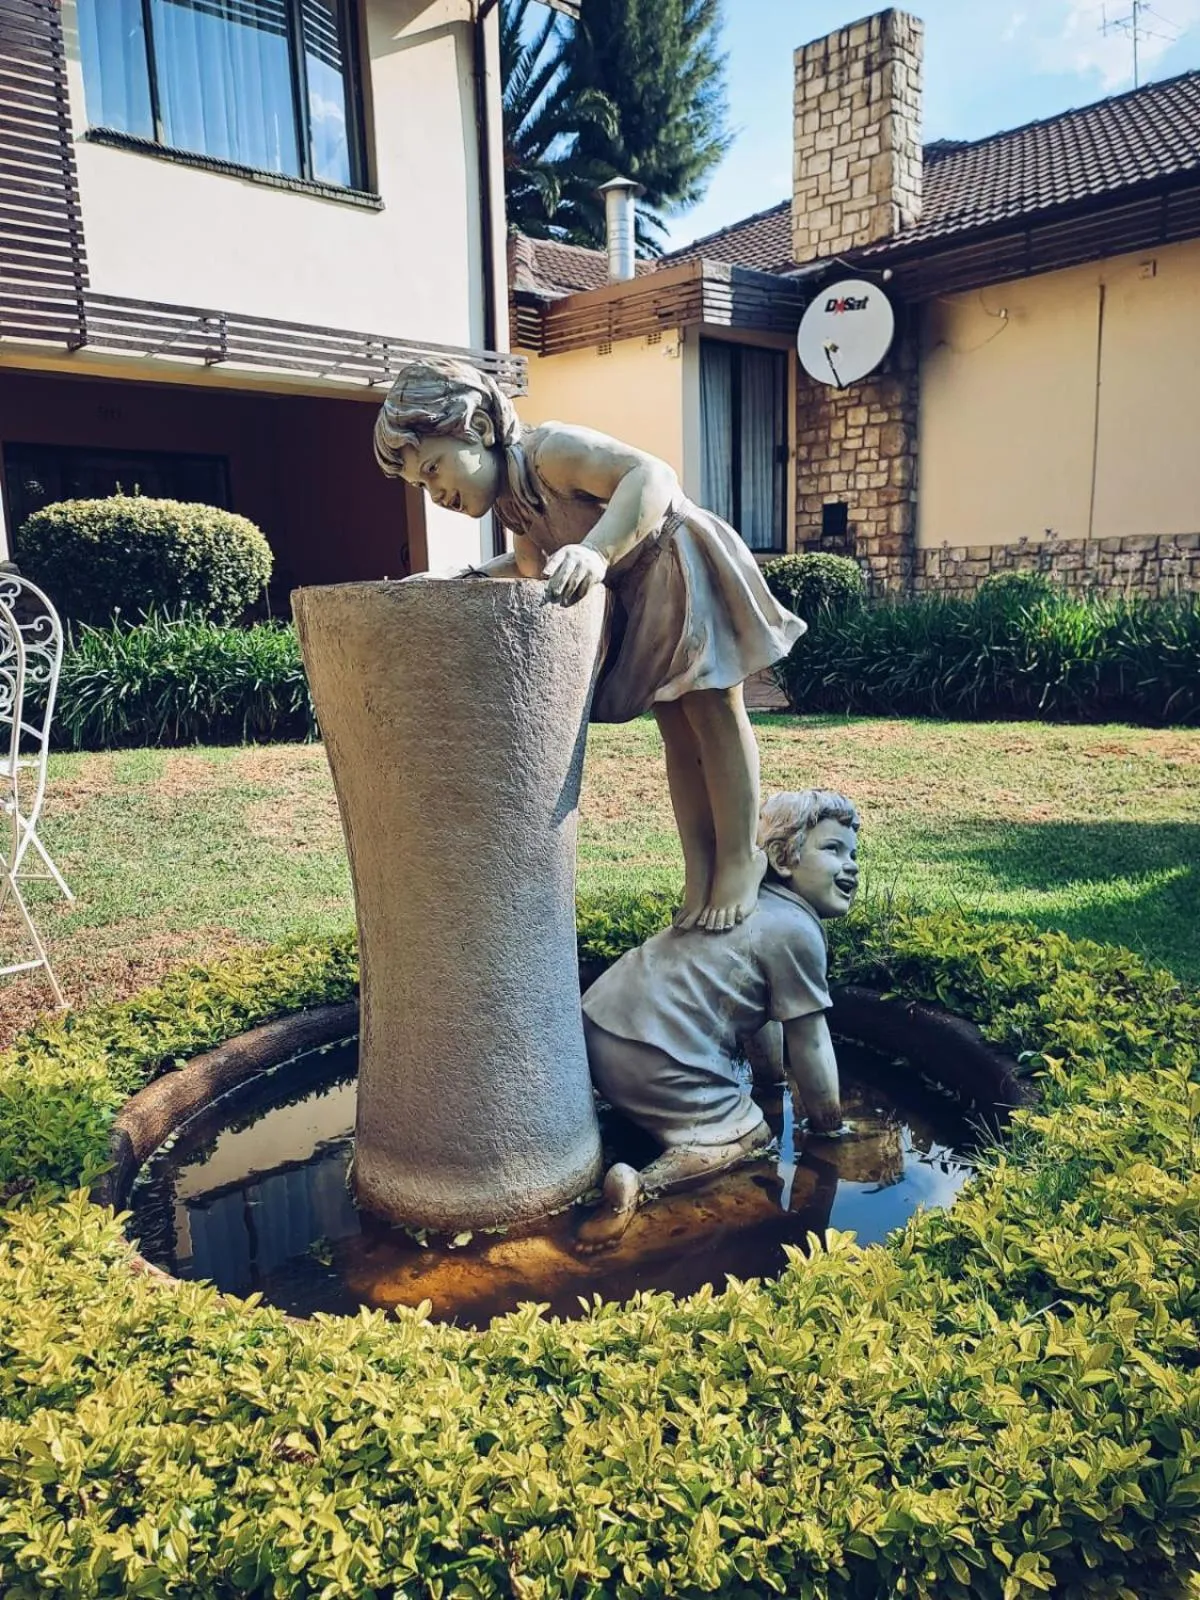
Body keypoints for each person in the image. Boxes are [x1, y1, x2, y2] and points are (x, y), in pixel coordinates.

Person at [373, 357, 806, 933]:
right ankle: (701, 868)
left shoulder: (550, 451)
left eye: (433, 469)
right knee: (676, 729)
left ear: (478, 429)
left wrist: (596, 551)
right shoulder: (513, 502)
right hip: (644, 592)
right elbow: (533, 567)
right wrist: (465, 578)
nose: (434, 493)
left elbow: (651, 476)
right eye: (418, 485)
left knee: (714, 709)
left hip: (680, 561)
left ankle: (738, 859)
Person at [575, 789, 861, 1250]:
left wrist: (770, 1085)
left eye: (854, 853)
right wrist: (830, 1129)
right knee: (750, 1137)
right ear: (784, 859)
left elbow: (768, 1021)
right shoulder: (797, 931)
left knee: (716, 1098)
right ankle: (642, 1186)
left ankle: (618, 1116)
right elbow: (809, 1043)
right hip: (660, 1055)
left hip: (598, 1025)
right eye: (833, 849)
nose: (851, 866)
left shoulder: (737, 901)